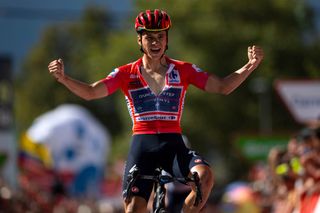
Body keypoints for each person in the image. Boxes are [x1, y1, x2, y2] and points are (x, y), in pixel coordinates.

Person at [48, 9, 264, 213]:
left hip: (174, 146)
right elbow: (91, 92)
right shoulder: (126, 73)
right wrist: (64, 79)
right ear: (139, 40)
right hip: (143, 148)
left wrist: (250, 65)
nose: (155, 42)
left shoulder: (183, 70)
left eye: (160, 37)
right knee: (135, 208)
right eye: (149, 37)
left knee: (204, 177)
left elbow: (223, 87)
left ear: (166, 40)